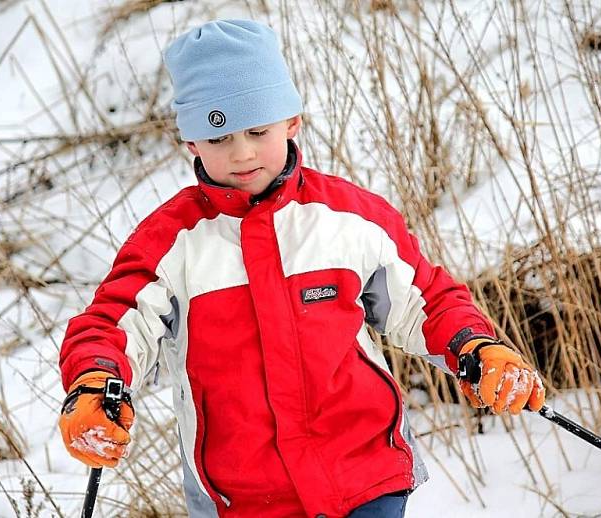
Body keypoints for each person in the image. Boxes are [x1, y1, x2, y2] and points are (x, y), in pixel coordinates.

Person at [57, 19, 546, 518]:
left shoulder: (347, 220)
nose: (242, 152)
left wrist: (476, 346)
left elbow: (425, 299)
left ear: (292, 121)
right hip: (242, 497)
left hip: (363, 476)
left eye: (257, 131)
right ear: (191, 144)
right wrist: (95, 382)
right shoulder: (171, 243)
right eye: (219, 137)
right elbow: (113, 324)